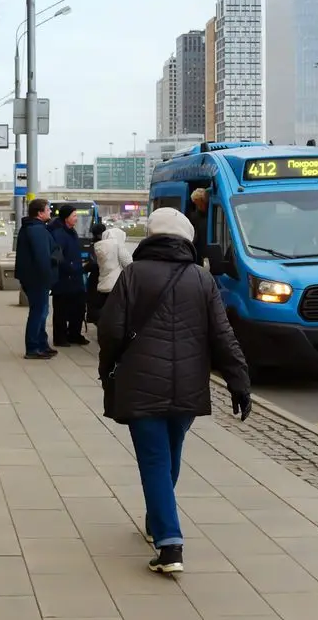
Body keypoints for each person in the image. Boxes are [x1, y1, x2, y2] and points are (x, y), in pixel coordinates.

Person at [99, 207, 251, 575]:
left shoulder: (133, 275)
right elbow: (222, 335)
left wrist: (108, 371)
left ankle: (169, 545)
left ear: (151, 236)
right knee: (169, 453)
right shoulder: (201, 278)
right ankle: (157, 520)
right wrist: (238, 380)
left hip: (140, 382)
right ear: (186, 239)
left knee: (154, 461)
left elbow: (111, 330)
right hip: (187, 385)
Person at [14, 199, 57, 359]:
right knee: (38, 312)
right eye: (47, 210)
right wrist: (48, 278)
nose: (50, 212)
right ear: (40, 213)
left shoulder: (31, 228)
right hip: (37, 278)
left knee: (42, 311)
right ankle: (33, 347)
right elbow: (42, 257)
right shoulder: (37, 230)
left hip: (32, 277)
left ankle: (42, 344)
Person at [50, 206, 88, 346]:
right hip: (64, 279)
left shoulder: (72, 232)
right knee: (61, 310)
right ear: (66, 218)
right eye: (74, 216)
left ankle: (74, 334)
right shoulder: (59, 234)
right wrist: (70, 268)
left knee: (78, 308)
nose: (76, 218)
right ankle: (60, 337)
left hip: (76, 278)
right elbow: (58, 256)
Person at [89, 218, 134, 323]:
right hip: (116, 284)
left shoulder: (100, 247)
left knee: (104, 309)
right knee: (115, 312)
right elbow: (128, 264)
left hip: (103, 283)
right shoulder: (118, 246)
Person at [187, 188, 210, 265]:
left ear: (204, 201)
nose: (198, 206)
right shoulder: (194, 216)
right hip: (199, 250)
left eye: (199, 203)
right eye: (196, 204)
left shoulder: (212, 212)